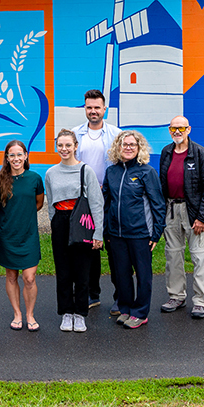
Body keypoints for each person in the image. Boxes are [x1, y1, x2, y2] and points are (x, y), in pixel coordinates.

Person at [103, 130, 167, 329]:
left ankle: (140, 312)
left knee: (143, 275)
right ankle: (125, 309)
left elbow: (158, 204)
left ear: (139, 148)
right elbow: (106, 203)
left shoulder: (147, 172)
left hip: (140, 233)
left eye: (132, 144)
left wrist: (156, 233)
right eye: (124, 144)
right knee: (121, 274)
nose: (128, 148)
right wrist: (106, 230)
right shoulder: (111, 172)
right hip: (117, 234)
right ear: (118, 147)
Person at [158, 116, 204, 319]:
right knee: (173, 256)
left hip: (193, 212)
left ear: (189, 129)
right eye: (173, 128)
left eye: (181, 128)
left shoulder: (199, 153)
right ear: (169, 130)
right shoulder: (166, 152)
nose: (177, 132)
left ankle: (201, 301)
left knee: (199, 257)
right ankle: (176, 296)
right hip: (171, 210)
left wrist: (203, 217)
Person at [45, 129, 104, 333]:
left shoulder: (86, 171)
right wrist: (55, 223)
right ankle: (66, 312)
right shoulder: (51, 173)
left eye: (68, 145)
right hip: (61, 222)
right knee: (63, 271)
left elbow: (96, 203)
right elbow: (51, 203)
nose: (64, 149)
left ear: (76, 146)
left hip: (81, 222)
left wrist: (98, 233)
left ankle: (80, 313)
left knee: (82, 270)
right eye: (60, 145)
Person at [73, 89, 121, 313]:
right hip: (84, 199)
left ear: (104, 109)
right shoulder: (75, 134)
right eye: (89, 107)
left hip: (110, 198)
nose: (93, 111)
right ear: (85, 108)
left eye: (97, 107)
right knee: (88, 248)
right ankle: (92, 294)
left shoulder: (116, 134)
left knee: (114, 248)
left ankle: (120, 297)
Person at [0, 140, 45, 332]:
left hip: (29, 235)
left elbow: (38, 203)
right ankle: (17, 313)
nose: (16, 158)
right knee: (11, 276)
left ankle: (30, 314)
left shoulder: (35, 178)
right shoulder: (0, 179)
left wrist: (25, 216)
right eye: (12, 155)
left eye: (19, 154)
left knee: (29, 278)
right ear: (7, 158)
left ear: (26, 156)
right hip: (8, 235)